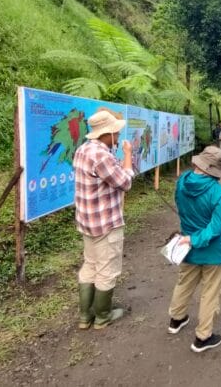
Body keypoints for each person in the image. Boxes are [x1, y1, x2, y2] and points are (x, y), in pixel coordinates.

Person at [73, 110, 135, 330]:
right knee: (107, 268)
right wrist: (128, 155)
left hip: (87, 221)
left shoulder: (82, 150)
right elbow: (125, 182)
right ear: (106, 133)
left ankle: (84, 316)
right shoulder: (102, 155)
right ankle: (102, 316)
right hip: (106, 223)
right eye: (116, 132)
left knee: (90, 264)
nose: (118, 136)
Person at [167, 146, 221, 353]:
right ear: (215, 169)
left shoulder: (183, 181)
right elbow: (217, 226)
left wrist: (189, 237)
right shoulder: (217, 192)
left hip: (187, 246)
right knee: (210, 293)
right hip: (212, 251)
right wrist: (195, 239)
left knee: (184, 283)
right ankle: (203, 337)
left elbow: (179, 206)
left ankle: (176, 319)